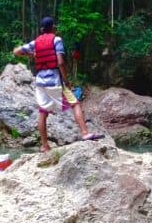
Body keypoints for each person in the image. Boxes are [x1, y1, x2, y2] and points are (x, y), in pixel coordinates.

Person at [13, 17, 103, 152]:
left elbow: (16, 51)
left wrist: (32, 54)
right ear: (53, 28)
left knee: (43, 113)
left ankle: (44, 146)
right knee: (75, 103)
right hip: (54, 80)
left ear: (41, 29)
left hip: (40, 82)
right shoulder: (57, 40)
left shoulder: (35, 42)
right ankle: (85, 133)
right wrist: (66, 80)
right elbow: (60, 62)